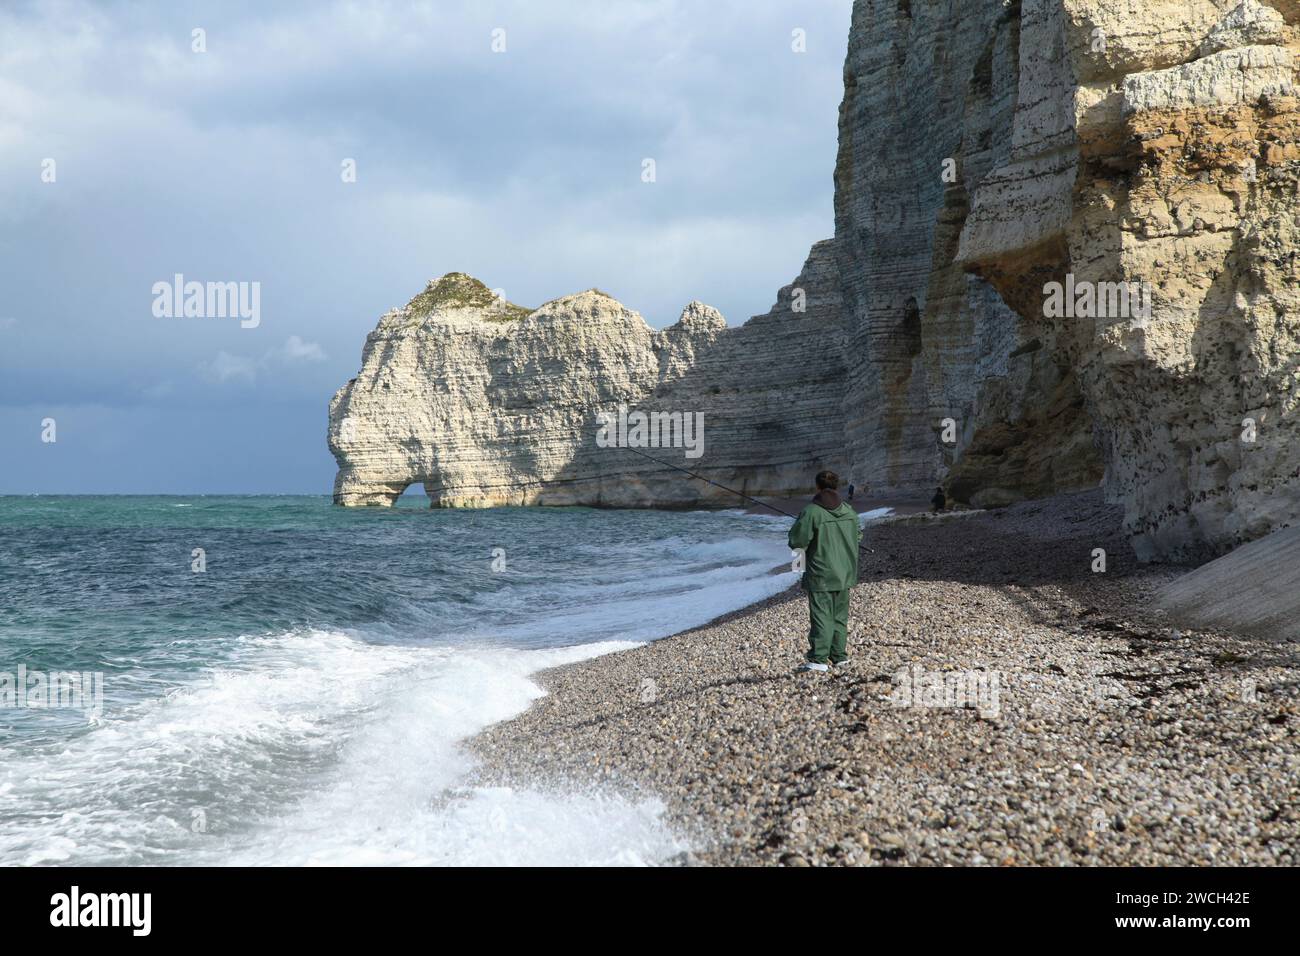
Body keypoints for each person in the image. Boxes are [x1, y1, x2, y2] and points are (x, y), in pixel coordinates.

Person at [787, 470, 861, 673]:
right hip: (845, 572)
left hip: (821, 573)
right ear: (837, 486)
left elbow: (797, 542)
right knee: (839, 616)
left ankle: (818, 660)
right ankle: (839, 657)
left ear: (817, 486)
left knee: (821, 616)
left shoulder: (811, 512)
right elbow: (858, 536)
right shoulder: (848, 510)